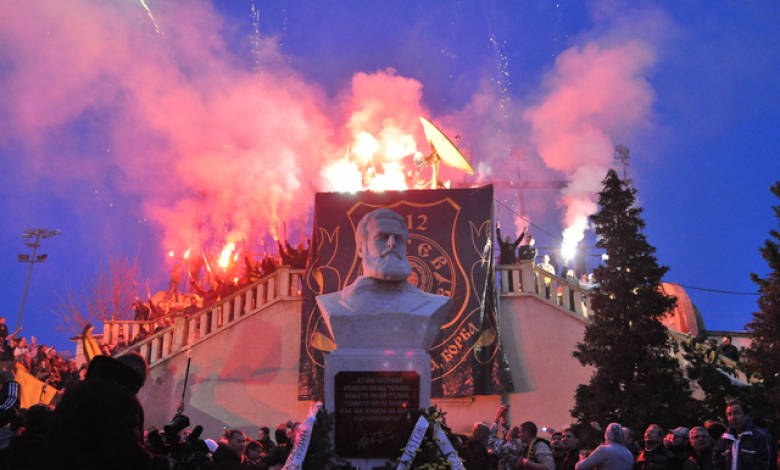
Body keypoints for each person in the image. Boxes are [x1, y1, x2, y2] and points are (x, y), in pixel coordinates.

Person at [316, 208, 451, 351]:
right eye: (382, 237)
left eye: (398, 239)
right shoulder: (334, 304)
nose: (392, 244)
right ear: (361, 248)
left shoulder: (434, 304)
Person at [46, 352, 171, 470]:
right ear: (136, 372)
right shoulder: (119, 395)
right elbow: (125, 449)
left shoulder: (80, 389)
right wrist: (164, 464)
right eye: (141, 381)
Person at [713, 401, 776, 470]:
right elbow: (716, 462)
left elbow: (765, 465)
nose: (733, 417)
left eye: (736, 413)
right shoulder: (724, 438)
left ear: (746, 415)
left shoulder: (761, 437)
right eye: (729, 414)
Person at [489, 405, 525, 470]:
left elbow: (491, 440)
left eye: (508, 433)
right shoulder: (519, 444)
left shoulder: (509, 448)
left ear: (509, 436)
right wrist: (503, 417)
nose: (506, 433)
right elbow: (506, 431)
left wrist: (497, 418)